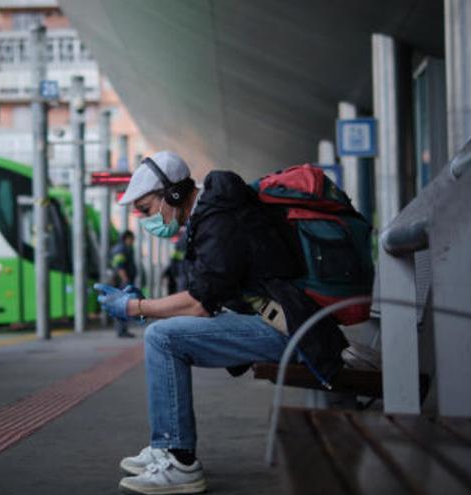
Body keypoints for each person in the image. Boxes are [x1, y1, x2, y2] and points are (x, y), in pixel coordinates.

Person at [95, 151, 347, 495]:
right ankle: (165, 445)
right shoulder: (215, 217)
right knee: (161, 333)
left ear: (173, 195)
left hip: (293, 332)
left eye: (146, 209)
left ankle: (178, 458)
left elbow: (199, 304)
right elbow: (207, 293)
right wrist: (145, 306)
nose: (145, 220)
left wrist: (136, 307)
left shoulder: (220, 220)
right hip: (287, 325)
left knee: (162, 338)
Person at [110, 230, 138, 338]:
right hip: (123, 283)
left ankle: (122, 330)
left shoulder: (124, 248)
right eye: (132, 239)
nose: (133, 242)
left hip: (123, 282)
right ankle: (121, 331)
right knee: (123, 306)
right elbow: (119, 265)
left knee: (124, 306)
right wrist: (125, 279)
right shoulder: (121, 249)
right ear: (127, 238)